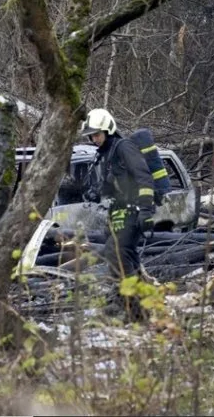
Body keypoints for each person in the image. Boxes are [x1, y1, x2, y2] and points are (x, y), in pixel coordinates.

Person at [80, 108, 157, 319]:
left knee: (117, 253)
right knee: (125, 255)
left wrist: (146, 211)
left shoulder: (124, 148)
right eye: (92, 135)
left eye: (97, 134)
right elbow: (114, 185)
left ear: (108, 130)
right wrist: (96, 192)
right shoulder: (107, 154)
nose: (94, 139)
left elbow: (144, 178)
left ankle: (129, 305)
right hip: (118, 212)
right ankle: (143, 304)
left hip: (134, 210)